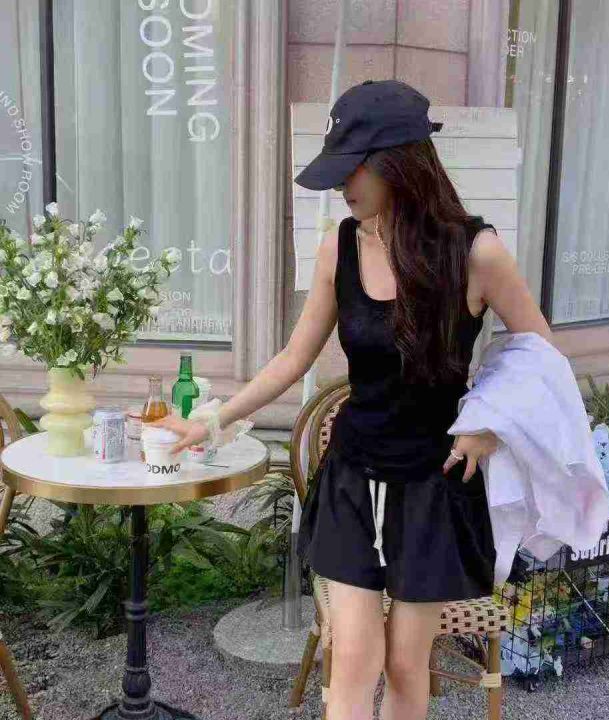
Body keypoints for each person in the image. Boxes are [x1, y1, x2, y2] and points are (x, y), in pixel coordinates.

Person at [152, 79, 554, 720]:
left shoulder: (476, 252)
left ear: (398, 161)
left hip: (433, 482)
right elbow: (294, 356)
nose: (342, 184)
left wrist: (490, 426)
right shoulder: (339, 245)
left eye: (353, 167)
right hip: (352, 473)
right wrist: (214, 420)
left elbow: (539, 355)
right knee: (355, 659)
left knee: (406, 665)